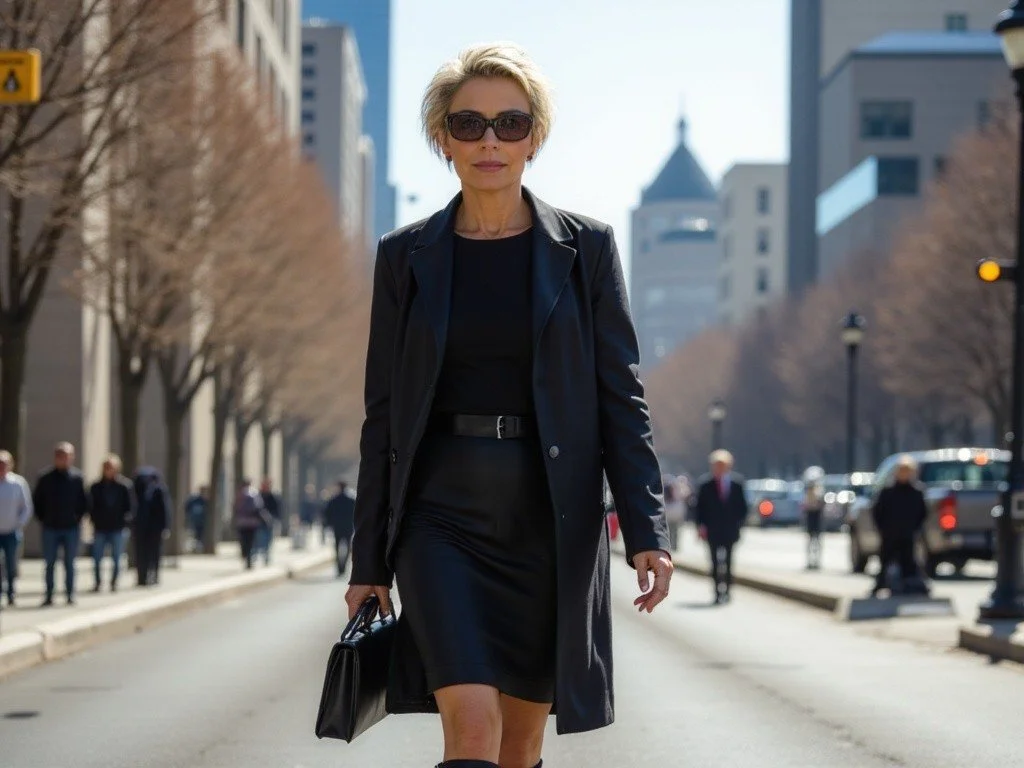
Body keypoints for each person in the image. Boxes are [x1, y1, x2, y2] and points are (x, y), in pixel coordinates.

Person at [345, 43, 672, 768]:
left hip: (550, 522)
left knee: (520, 746)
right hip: (439, 520)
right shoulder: (406, 257)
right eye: (469, 124)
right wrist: (367, 557)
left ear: (535, 137)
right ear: (443, 139)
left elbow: (622, 398)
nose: (490, 141)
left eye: (510, 123)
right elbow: (384, 414)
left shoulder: (585, 249)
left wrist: (647, 527)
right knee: (470, 731)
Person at [33, 442, 89, 606]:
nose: (63, 460)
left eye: (66, 456)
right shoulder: (45, 478)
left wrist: (77, 518)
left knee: (70, 563)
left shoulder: (77, 478)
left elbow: (84, 502)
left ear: (72, 457)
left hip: (71, 528)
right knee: (49, 563)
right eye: (60, 456)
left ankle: (70, 593)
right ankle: (49, 594)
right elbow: (37, 502)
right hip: (50, 527)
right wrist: (44, 518)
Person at [694, 450, 748, 604]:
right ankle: (717, 591)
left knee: (729, 561)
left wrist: (739, 523)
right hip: (712, 530)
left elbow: (743, 507)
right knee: (714, 562)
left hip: (730, 530)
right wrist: (700, 526)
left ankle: (728, 590)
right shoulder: (705, 485)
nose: (718, 468)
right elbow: (699, 509)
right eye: (716, 465)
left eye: (721, 465)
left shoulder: (737, 484)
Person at [871, 455, 929, 597]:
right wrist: (883, 528)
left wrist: (914, 528)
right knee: (886, 561)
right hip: (889, 534)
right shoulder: (887, 492)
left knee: (908, 562)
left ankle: (909, 585)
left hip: (907, 534)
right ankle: (881, 584)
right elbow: (877, 512)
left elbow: (923, 513)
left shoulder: (916, 492)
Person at [87, 455, 135, 593]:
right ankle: (97, 582)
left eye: (111, 467)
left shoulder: (124, 486)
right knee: (97, 558)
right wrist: (94, 519)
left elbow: (130, 507)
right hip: (100, 527)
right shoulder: (95, 487)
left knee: (117, 558)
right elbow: (91, 506)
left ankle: (114, 582)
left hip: (118, 528)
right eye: (106, 467)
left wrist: (126, 521)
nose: (108, 470)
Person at [0, 450, 33, 607]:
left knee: (11, 564)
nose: (2, 467)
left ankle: (11, 593)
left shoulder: (18, 483)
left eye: (4, 464)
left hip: (12, 532)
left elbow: (26, 508)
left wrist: (18, 524)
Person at [133, 467, 171, 587]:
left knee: (153, 553)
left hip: (154, 528)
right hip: (142, 527)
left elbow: (165, 509)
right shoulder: (136, 490)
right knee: (142, 553)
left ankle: (153, 575)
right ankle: (142, 577)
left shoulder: (159, 490)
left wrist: (165, 526)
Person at [322, 480, 356, 577]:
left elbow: (327, 513)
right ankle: (343, 566)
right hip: (348, 526)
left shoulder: (334, 499)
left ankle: (339, 568)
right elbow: (357, 513)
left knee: (337, 547)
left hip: (337, 527)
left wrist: (329, 524)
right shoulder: (351, 500)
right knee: (348, 547)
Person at [233, 478, 267, 570]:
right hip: (252, 523)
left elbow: (235, 508)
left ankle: (245, 555)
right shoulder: (254, 494)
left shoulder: (239, 495)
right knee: (251, 542)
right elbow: (259, 507)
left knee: (243, 541)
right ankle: (249, 559)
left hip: (241, 522)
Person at [802, 466, 826, 571]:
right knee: (812, 541)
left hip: (816, 518)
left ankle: (816, 561)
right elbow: (805, 506)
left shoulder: (819, 492)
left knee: (816, 541)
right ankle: (811, 561)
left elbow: (821, 505)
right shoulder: (808, 494)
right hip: (812, 518)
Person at [257, 478, 281, 565]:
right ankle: (256, 556)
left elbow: (277, 509)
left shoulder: (272, 496)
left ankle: (266, 557)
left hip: (269, 523)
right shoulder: (258, 496)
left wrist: (275, 519)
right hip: (259, 523)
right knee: (259, 540)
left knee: (268, 540)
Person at [185, 486, 209, 552]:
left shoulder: (205, 501)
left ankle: (198, 548)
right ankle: (195, 548)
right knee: (194, 535)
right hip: (194, 520)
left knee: (200, 535)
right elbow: (187, 507)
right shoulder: (194, 500)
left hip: (201, 521)